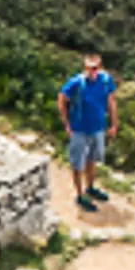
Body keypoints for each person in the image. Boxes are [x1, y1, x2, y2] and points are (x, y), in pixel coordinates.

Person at [55, 52, 115, 212]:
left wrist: (114, 124)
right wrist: (66, 123)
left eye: (94, 68)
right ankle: (80, 195)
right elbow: (61, 98)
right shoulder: (76, 82)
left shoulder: (105, 81)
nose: (91, 71)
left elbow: (110, 101)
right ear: (84, 68)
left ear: (100, 68)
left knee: (92, 160)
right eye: (88, 68)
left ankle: (90, 187)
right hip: (79, 129)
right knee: (77, 164)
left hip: (97, 128)